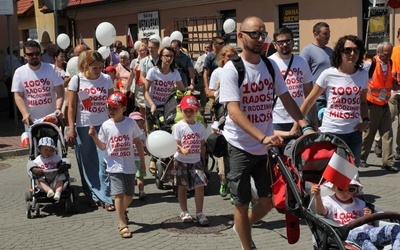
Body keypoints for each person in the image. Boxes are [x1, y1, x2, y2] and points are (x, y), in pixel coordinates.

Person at [219, 16, 314, 250]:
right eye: (255, 35)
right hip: (240, 145)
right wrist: (261, 136)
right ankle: (247, 245)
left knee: (268, 201)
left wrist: (304, 124)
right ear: (241, 36)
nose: (260, 39)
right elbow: (233, 111)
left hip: (264, 147)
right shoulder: (232, 69)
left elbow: (287, 98)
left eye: (263, 35)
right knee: (241, 203)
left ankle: (242, 225)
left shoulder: (270, 66)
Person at [300, 35, 370, 167]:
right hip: (332, 133)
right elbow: (310, 100)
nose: (352, 53)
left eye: (356, 50)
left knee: (349, 176)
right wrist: (298, 124)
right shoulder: (328, 74)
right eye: (347, 50)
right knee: (330, 176)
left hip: (354, 133)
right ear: (340, 52)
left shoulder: (363, 74)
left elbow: (363, 102)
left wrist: (366, 120)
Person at [89, 92, 145, 238]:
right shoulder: (106, 125)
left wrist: (143, 162)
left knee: (130, 195)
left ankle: (123, 210)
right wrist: (94, 136)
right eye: (109, 107)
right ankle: (122, 224)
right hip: (114, 166)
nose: (111, 110)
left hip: (129, 164)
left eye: (115, 107)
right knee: (118, 194)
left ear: (124, 108)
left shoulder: (130, 123)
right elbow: (102, 147)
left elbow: (138, 142)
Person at [66, 50, 115, 210]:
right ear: (86, 65)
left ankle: (106, 197)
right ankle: (92, 195)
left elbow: (112, 103)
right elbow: (72, 107)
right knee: (87, 163)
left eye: (101, 67)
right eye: (95, 68)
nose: (98, 71)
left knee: (105, 162)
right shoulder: (77, 80)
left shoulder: (106, 79)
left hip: (104, 125)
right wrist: (71, 128)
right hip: (83, 126)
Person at [311, 176, 400, 249]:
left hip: (369, 231)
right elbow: (321, 212)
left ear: (356, 190)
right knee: (361, 237)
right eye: (341, 188)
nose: (346, 193)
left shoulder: (360, 203)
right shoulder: (329, 201)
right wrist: (318, 197)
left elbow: (368, 222)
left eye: (351, 189)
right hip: (349, 234)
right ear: (333, 187)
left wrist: (368, 215)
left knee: (395, 228)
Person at [162, 95, 209, 225]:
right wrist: (181, 150)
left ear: (196, 111)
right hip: (181, 161)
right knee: (182, 187)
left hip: (196, 161)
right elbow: (175, 143)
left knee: (200, 186)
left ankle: (199, 213)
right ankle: (184, 211)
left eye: (191, 111)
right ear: (180, 110)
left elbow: (202, 144)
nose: (188, 113)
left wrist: (203, 159)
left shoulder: (200, 127)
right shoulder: (178, 126)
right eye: (186, 110)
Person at [143, 46, 186, 174]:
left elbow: (182, 90)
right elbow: (144, 91)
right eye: (166, 55)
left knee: (168, 132)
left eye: (171, 56)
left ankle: (167, 160)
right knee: (155, 132)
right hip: (153, 106)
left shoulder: (175, 73)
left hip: (168, 107)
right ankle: (153, 159)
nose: (168, 58)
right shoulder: (153, 71)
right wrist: (151, 104)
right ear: (161, 57)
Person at [269, 27, 316, 135]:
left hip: (299, 118)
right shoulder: (269, 63)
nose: (285, 44)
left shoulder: (301, 61)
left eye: (288, 41)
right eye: (281, 42)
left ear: (293, 42)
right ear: (275, 44)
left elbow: (309, 92)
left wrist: (313, 116)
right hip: (276, 119)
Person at [360, 42, 398, 172]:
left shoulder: (390, 63)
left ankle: (387, 162)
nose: (388, 57)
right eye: (386, 54)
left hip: (384, 104)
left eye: (390, 54)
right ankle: (362, 158)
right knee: (369, 134)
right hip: (372, 104)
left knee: (388, 133)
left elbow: (389, 82)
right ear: (379, 53)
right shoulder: (370, 64)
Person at [207, 45, 238, 197]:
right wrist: (219, 92)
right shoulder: (217, 72)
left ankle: (234, 187)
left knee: (234, 154)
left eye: (234, 56)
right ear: (223, 58)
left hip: (236, 115)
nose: (231, 59)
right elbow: (209, 92)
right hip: (220, 115)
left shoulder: (240, 70)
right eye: (228, 56)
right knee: (222, 150)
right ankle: (223, 181)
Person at [11, 40, 64, 126]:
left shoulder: (51, 69)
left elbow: (60, 91)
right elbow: (18, 95)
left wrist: (58, 108)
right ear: (24, 56)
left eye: (37, 53)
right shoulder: (19, 72)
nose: (34, 56)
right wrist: (24, 114)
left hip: (51, 118)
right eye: (30, 54)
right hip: (31, 120)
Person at [300, 22, 333, 118]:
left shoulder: (330, 51)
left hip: (330, 97)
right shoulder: (307, 51)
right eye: (325, 34)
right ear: (315, 34)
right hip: (317, 99)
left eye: (329, 33)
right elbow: (302, 75)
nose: (328, 36)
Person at [31, 137, 64, 201]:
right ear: (40, 150)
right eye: (46, 150)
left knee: (61, 179)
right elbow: (33, 165)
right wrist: (35, 169)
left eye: (50, 150)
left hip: (55, 175)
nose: (48, 152)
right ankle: (49, 191)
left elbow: (61, 162)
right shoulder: (38, 160)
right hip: (44, 176)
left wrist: (62, 166)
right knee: (41, 181)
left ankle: (58, 193)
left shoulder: (56, 157)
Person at [128, 111, 149, 200]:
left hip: (139, 159)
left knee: (140, 176)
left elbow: (144, 146)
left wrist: (149, 152)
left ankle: (141, 191)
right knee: (130, 177)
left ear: (142, 122)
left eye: (138, 120)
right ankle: (130, 192)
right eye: (134, 121)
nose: (136, 123)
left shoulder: (142, 134)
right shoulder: (127, 133)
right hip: (130, 159)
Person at [129, 42, 148, 123]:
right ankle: (143, 129)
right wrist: (127, 88)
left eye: (144, 50)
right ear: (138, 51)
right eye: (141, 50)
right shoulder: (134, 62)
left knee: (148, 109)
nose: (142, 52)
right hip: (139, 87)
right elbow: (131, 76)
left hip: (148, 87)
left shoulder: (150, 61)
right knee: (141, 111)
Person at [2, 45, 22, 118]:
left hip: (7, 79)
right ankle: (15, 114)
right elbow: (15, 68)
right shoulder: (13, 59)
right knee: (15, 96)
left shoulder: (6, 58)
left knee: (11, 97)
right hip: (11, 78)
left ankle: (12, 113)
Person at [115, 50, 135, 115]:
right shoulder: (117, 67)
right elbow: (117, 79)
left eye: (124, 58)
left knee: (130, 108)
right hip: (121, 91)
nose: (122, 60)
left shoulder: (132, 66)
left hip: (131, 91)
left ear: (128, 58)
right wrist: (121, 88)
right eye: (121, 58)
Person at [194, 41, 212, 110]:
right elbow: (196, 67)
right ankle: (202, 109)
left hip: (212, 78)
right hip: (203, 79)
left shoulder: (214, 56)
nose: (207, 48)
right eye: (205, 47)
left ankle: (212, 110)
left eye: (208, 47)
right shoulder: (200, 58)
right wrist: (204, 67)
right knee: (203, 95)